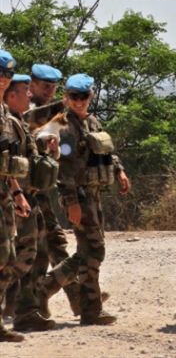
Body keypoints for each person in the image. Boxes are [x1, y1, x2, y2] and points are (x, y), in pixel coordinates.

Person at [37, 74, 130, 325]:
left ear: (90, 96)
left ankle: (44, 288)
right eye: (73, 97)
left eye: (84, 96)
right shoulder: (65, 127)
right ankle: (90, 309)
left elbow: (105, 151)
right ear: (66, 98)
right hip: (78, 196)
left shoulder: (91, 121)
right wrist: (72, 201)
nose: (79, 101)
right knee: (93, 249)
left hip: (94, 193)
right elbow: (64, 169)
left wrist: (119, 170)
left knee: (88, 250)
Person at [2, 76, 58, 333]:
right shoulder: (10, 123)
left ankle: (26, 311)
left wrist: (48, 148)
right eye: (25, 91)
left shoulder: (19, 123)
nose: (29, 95)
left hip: (28, 196)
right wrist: (17, 193)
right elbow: (10, 163)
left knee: (33, 257)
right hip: (17, 197)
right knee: (18, 258)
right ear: (12, 96)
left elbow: (30, 158)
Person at [25, 63, 81, 318]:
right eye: (45, 87)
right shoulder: (21, 109)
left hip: (39, 189)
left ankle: (77, 298)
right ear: (32, 85)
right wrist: (63, 104)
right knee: (29, 250)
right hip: (20, 190)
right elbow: (33, 120)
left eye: (53, 88)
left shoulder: (48, 113)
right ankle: (29, 304)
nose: (49, 92)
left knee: (54, 242)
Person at [0, 52, 26, 342]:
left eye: (8, 73)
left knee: (7, 259)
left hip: (4, 194)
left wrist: (18, 192)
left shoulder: (5, 114)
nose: (3, 78)